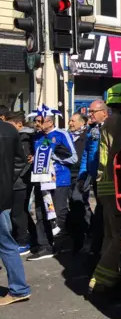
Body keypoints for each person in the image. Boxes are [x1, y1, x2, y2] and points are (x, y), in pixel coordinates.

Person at [88, 84, 121, 297]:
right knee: (120, 236)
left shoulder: (108, 123)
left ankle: (111, 275)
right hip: (116, 187)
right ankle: (102, 280)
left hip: (105, 187)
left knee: (109, 234)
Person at [27, 105, 78, 261]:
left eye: (39, 121)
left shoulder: (62, 135)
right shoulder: (36, 137)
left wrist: (52, 156)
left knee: (59, 212)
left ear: (49, 121)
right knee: (41, 212)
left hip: (60, 179)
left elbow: (74, 158)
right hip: (42, 180)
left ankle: (61, 243)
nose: (37, 124)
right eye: (35, 121)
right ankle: (44, 246)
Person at [0, 115, 30, 306]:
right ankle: (19, 288)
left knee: (6, 242)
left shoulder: (8, 130)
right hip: (4, 194)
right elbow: (21, 160)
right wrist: (8, 180)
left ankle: (19, 288)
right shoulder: (9, 130)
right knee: (6, 241)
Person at [79, 99, 109, 258]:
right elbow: (86, 154)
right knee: (99, 210)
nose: (89, 114)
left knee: (104, 212)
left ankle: (101, 245)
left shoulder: (112, 128)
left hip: (107, 178)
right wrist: (83, 176)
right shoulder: (92, 131)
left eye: (92, 112)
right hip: (94, 178)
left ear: (104, 113)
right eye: (89, 112)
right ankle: (97, 245)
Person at [4, 111, 35, 255]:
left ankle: (23, 241)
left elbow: (23, 161)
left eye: (10, 125)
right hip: (14, 181)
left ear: (19, 124)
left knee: (19, 213)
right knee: (19, 212)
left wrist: (12, 177)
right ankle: (32, 237)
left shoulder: (24, 138)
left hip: (20, 182)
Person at [68, 112, 89, 253]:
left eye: (73, 121)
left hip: (82, 174)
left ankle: (83, 235)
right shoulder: (67, 136)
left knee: (78, 201)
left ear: (82, 123)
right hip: (68, 175)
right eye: (70, 120)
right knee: (73, 204)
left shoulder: (87, 136)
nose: (70, 123)